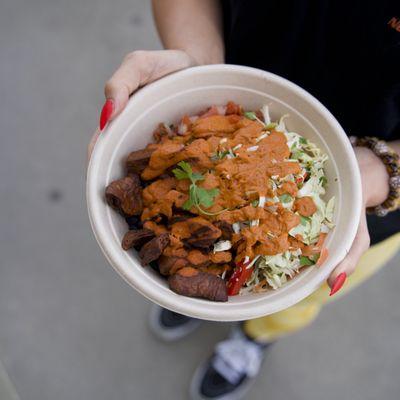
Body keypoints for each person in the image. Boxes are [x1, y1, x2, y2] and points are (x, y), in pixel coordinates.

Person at [88, 1, 400, 399]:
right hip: (232, 65)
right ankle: (189, 290)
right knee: (191, 281)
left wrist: (384, 167)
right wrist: (200, 65)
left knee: (295, 302)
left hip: (365, 201)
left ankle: (253, 339)